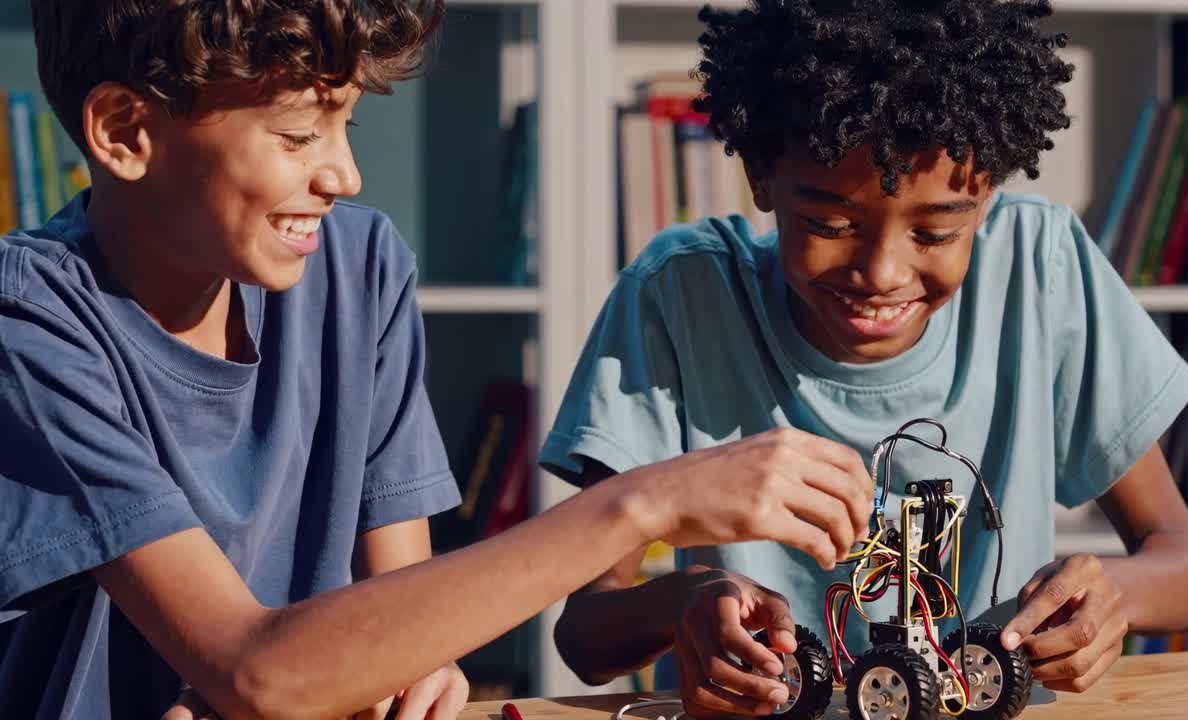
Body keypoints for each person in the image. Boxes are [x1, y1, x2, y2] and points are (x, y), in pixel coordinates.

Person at [0, 2, 877, 718]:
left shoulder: (359, 267)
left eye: (346, 123)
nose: (343, 173)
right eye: (301, 135)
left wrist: (415, 668)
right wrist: (645, 502)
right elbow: (254, 672)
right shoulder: (31, 326)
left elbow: (406, 613)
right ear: (124, 131)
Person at [540, 0, 1188, 715]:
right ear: (759, 175)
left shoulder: (1041, 267)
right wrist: (684, 602)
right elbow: (584, 636)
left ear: (986, 193)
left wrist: (1113, 596)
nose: (882, 274)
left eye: (933, 235)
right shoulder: (681, 294)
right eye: (831, 224)